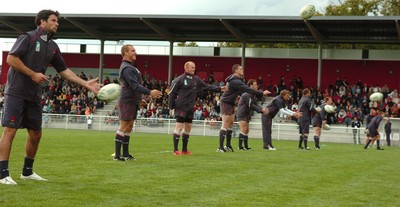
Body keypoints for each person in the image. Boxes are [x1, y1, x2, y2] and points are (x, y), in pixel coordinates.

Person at [0, 10, 101, 185]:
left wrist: (85, 84)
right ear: (42, 22)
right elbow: (11, 59)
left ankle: (27, 172)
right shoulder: (28, 37)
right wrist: (32, 74)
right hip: (16, 92)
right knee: (10, 131)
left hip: (34, 95)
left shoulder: (52, 46)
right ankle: (2, 174)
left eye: (57, 21)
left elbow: (64, 71)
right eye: (53, 20)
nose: (57, 24)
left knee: (36, 133)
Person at [112, 44, 162, 161]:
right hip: (127, 100)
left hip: (133, 100)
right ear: (125, 53)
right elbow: (134, 85)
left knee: (129, 127)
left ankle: (125, 154)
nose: (135, 53)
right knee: (124, 126)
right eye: (133, 51)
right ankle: (117, 156)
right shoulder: (127, 68)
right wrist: (150, 92)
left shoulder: (131, 67)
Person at [168, 61, 225, 155]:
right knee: (179, 126)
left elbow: (206, 87)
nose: (194, 69)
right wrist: (171, 106)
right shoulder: (179, 79)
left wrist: (219, 89)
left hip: (190, 107)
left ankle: (184, 150)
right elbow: (172, 92)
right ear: (186, 68)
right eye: (192, 67)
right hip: (181, 106)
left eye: (194, 67)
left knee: (188, 127)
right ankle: (175, 150)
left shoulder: (196, 79)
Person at [218, 64, 270, 152]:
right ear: (236, 70)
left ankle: (228, 145)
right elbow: (247, 89)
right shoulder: (235, 80)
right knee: (225, 124)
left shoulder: (236, 80)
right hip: (226, 102)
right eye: (241, 69)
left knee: (230, 124)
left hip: (231, 102)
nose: (242, 70)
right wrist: (261, 93)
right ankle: (220, 147)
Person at [236, 79, 269, 150]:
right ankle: (240, 147)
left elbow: (255, 104)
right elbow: (251, 105)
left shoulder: (252, 94)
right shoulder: (247, 94)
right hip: (242, 113)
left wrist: (262, 109)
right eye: (255, 84)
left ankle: (246, 146)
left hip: (247, 113)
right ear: (251, 85)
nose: (257, 86)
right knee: (243, 129)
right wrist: (261, 110)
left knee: (246, 130)